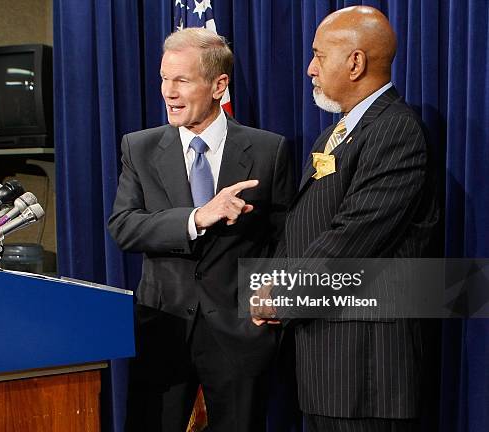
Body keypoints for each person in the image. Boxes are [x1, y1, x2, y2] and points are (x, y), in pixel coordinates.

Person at [253, 6, 438, 432]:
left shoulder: (395, 130)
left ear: (355, 62)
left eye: (319, 55)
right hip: (326, 363)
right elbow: (306, 223)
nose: (309, 68)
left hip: (363, 370)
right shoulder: (334, 134)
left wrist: (282, 295)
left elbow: (354, 235)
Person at [108, 28, 295, 432]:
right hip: (163, 329)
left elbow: (285, 235)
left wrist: (270, 292)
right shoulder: (138, 147)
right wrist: (197, 218)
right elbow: (123, 227)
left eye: (182, 80)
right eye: (164, 78)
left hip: (238, 332)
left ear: (218, 85)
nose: (168, 92)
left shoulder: (268, 149)